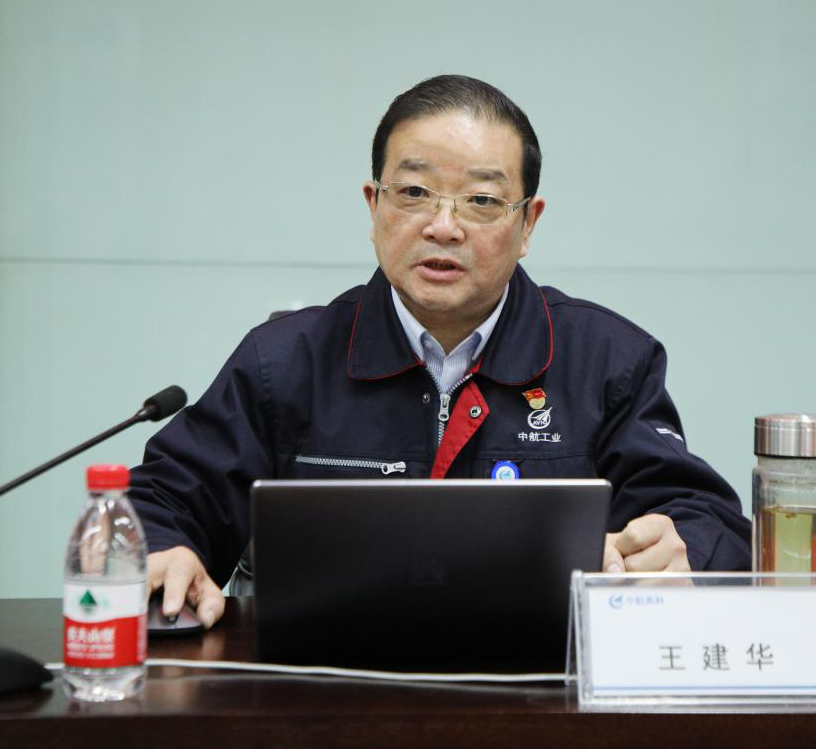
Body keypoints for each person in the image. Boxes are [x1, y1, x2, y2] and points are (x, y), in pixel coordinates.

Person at [131, 75, 751, 628]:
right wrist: (163, 548)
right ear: (374, 207)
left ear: (528, 224)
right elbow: (161, 501)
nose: (443, 226)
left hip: (540, 691)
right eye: (414, 192)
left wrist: (682, 550)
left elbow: (708, 519)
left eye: (481, 201)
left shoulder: (607, 360)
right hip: (325, 688)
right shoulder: (285, 361)